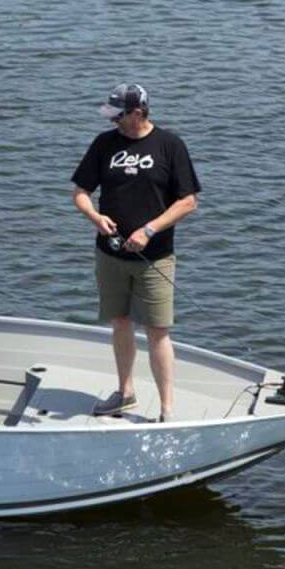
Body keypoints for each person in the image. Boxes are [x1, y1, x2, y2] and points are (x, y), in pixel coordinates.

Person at [70, 83, 201, 422]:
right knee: (120, 322)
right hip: (110, 255)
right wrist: (95, 217)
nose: (113, 121)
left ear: (138, 112)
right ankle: (125, 392)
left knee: (157, 331)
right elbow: (81, 192)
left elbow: (188, 201)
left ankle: (166, 409)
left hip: (154, 257)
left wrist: (149, 230)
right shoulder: (104, 144)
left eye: (119, 115)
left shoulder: (169, 146)